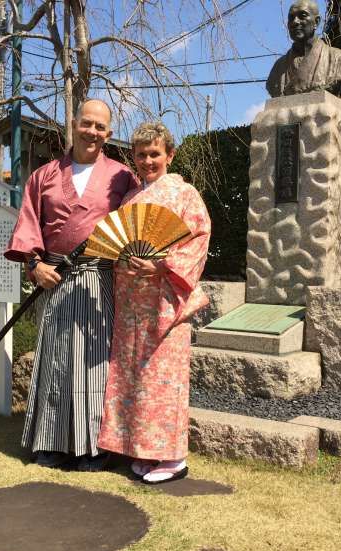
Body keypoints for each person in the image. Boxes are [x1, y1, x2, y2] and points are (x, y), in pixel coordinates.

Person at [4, 99, 137, 471]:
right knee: (56, 363)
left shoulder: (121, 177)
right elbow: (29, 224)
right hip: (55, 279)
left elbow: (136, 224)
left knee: (94, 366)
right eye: (87, 123)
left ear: (109, 134)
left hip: (99, 281)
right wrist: (35, 265)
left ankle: (93, 446)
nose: (92, 132)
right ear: (74, 124)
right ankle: (50, 443)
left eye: (100, 127)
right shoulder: (44, 175)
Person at [97, 122, 211, 484]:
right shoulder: (130, 199)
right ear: (134, 157)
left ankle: (173, 457)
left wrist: (161, 263)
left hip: (165, 303)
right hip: (132, 303)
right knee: (135, 378)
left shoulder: (184, 194)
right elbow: (117, 243)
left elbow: (198, 238)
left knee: (164, 380)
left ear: (170, 155)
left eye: (155, 154)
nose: (148, 161)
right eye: (141, 154)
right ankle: (144, 451)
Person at [266, 0, 341, 98]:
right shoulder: (278, 67)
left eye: (302, 16)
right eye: (291, 18)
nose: (295, 22)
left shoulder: (338, 58)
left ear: (316, 22)